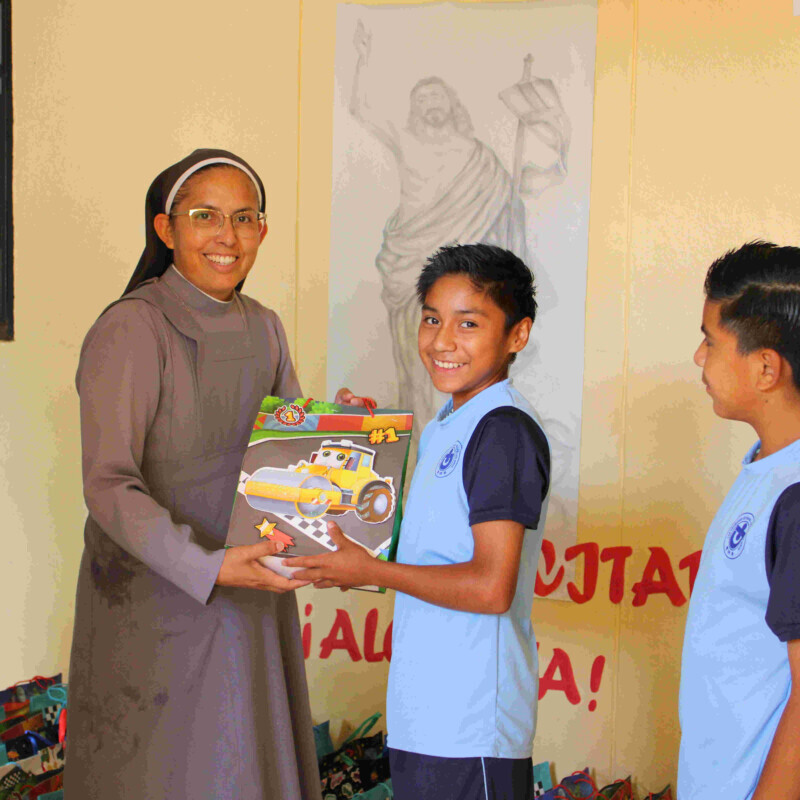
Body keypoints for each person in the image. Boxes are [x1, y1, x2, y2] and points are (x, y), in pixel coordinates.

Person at [65, 149, 357, 799]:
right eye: (205, 216)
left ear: (262, 231)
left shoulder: (265, 327)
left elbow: (287, 455)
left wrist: (341, 428)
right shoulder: (132, 327)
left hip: (251, 594)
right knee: (171, 773)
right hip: (159, 604)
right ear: (165, 230)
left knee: (248, 764)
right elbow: (108, 483)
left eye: (244, 218)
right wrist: (207, 566)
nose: (227, 236)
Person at [292, 243, 550, 800]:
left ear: (517, 335)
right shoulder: (446, 426)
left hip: (472, 727)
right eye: (432, 319)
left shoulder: (502, 431)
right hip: (426, 718)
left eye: (468, 323)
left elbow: (491, 587)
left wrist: (372, 572)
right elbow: (422, 552)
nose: (441, 341)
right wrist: (360, 443)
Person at [350, 22, 528, 425]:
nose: (431, 103)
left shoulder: (477, 155)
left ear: (451, 104)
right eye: (422, 98)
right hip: (408, 266)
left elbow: (505, 206)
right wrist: (362, 57)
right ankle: (417, 442)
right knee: (413, 367)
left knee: (457, 369)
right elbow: (361, 109)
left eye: (437, 96)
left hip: (461, 283)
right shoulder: (407, 141)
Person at [679, 241, 800, 799]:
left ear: (766, 368)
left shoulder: (794, 496)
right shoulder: (765, 468)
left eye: (710, 341)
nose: (698, 357)